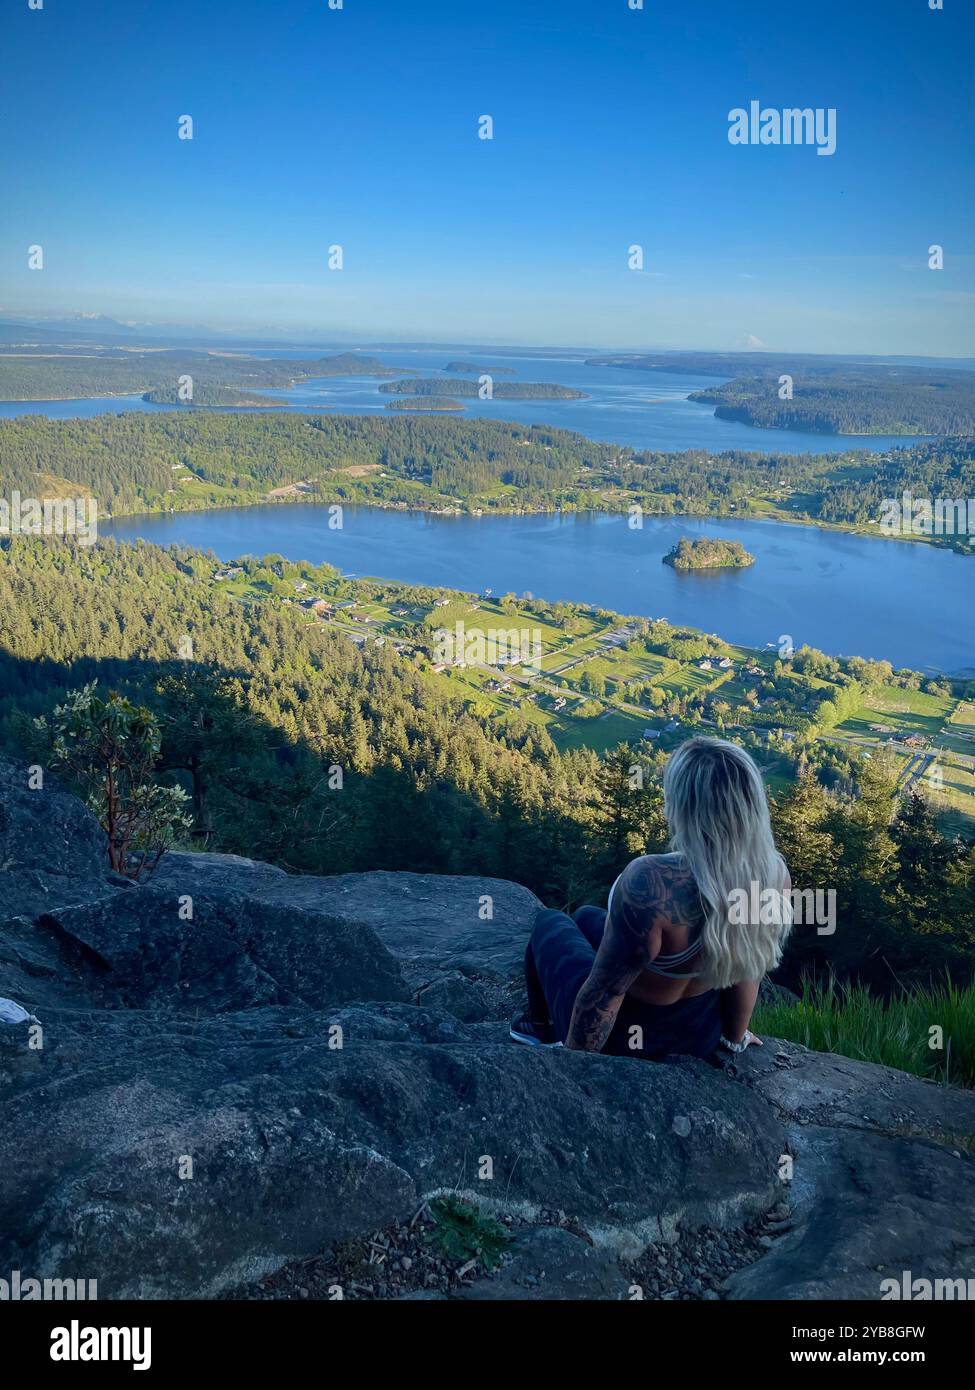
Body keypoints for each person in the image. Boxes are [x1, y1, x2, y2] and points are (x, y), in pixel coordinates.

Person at [511, 736, 792, 1061]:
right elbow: (749, 969)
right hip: (699, 1031)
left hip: (633, 1036)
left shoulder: (650, 880)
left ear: (684, 804)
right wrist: (734, 1038)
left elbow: (607, 990)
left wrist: (579, 1068)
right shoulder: (772, 875)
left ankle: (540, 1028)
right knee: (588, 915)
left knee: (550, 921)